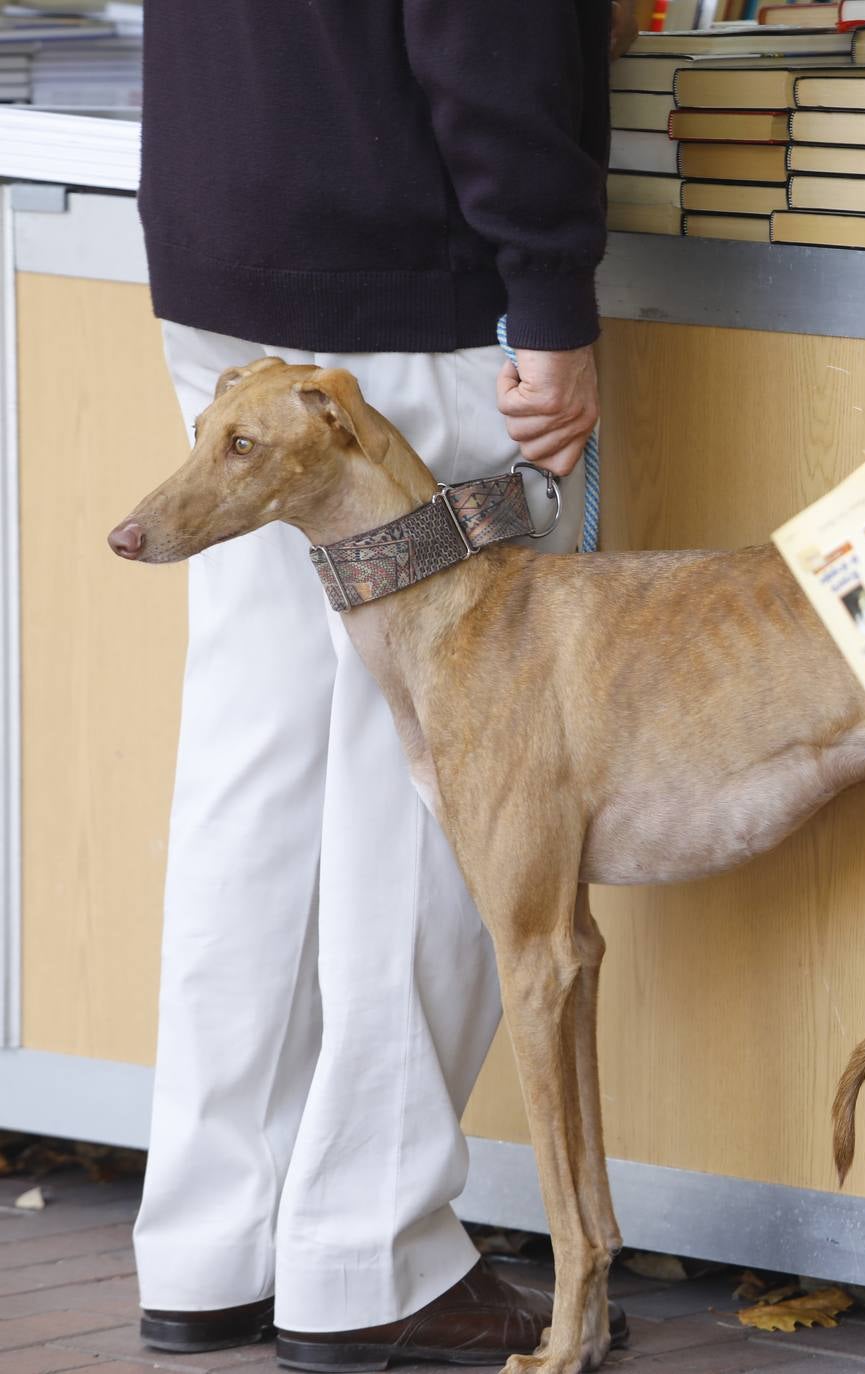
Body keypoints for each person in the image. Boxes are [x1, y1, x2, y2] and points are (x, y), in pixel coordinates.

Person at [130, 0, 636, 1363]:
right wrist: (549, 285)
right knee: (435, 782)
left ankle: (208, 1235)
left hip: (219, 241)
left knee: (255, 761)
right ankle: (367, 1252)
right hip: (406, 286)